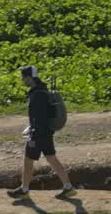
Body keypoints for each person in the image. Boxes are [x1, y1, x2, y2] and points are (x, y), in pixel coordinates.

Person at [7, 65, 76, 199]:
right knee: (50, 158)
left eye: (24, 77)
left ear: (30, 78)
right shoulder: (41, 91)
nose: (22, 80)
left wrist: (32, 131)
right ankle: (68, 187)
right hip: (46, 132)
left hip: (38, 133)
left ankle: (25, 190)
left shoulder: (37, 94)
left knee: (28, 160)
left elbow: (38, 117)